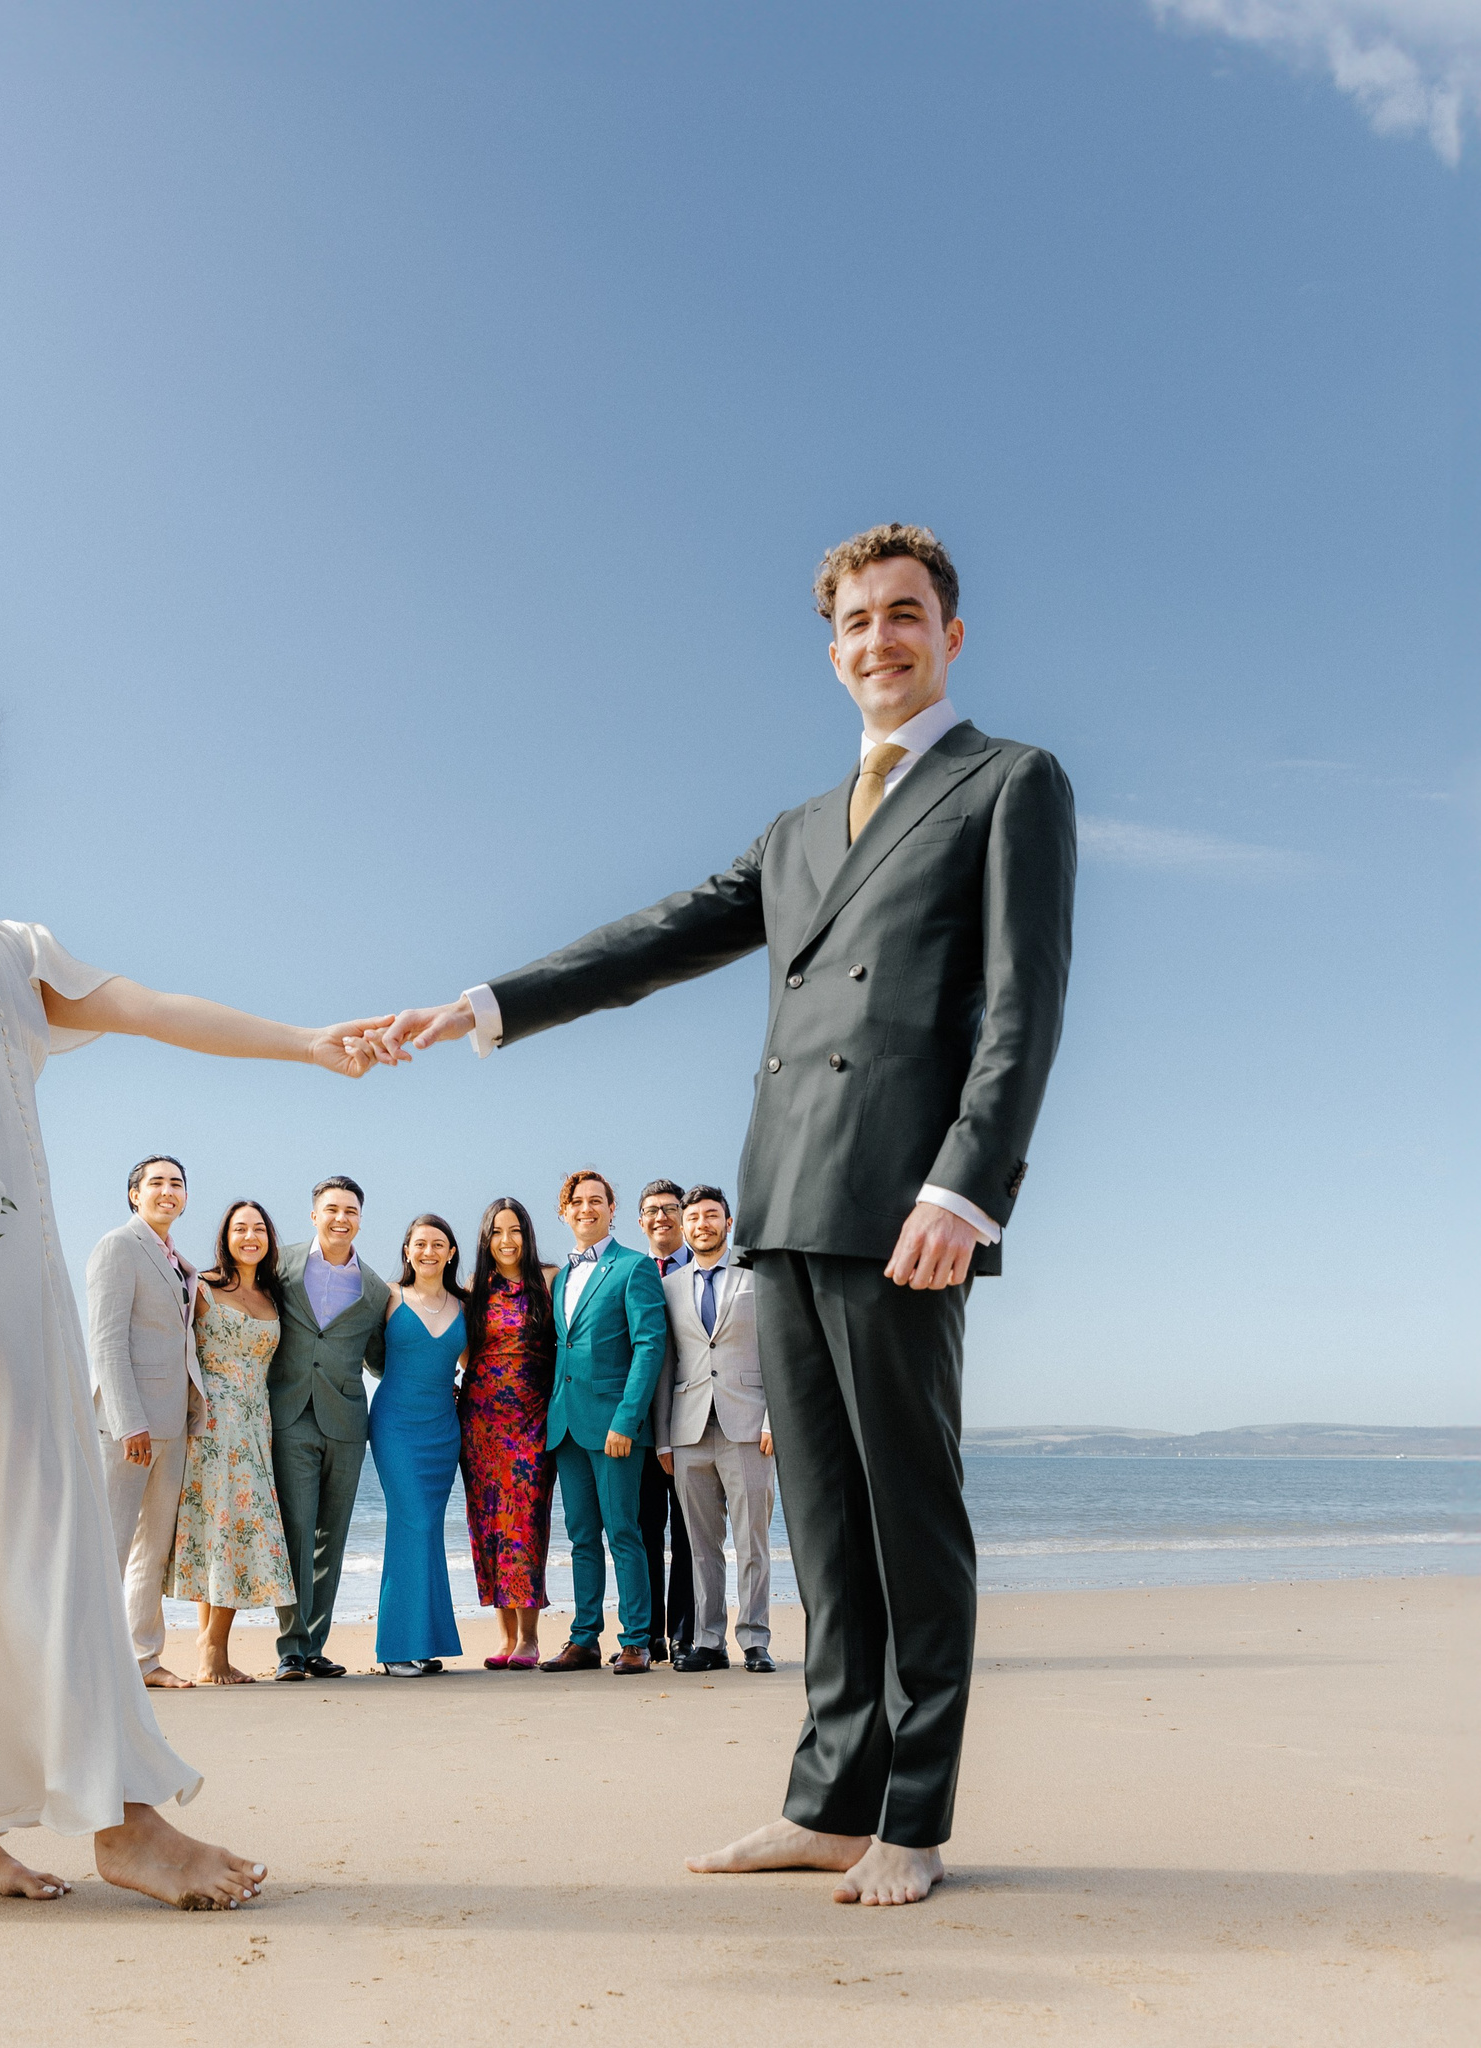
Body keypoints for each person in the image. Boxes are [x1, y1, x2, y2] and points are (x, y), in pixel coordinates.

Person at [382, 525, 1077, 1905]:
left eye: (904, 616)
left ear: (950, 635)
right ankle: (827, 1801)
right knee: (824, 1520)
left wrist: (965, 1187)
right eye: (856, 623)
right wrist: (492, 1005)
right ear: (831, 652)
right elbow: (659, 939)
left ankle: (916, 1818)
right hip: (785, 1197)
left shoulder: (1012, 784)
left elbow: (1022, 1003)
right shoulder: (798, 831)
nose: (879, 641)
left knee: (910, 1514)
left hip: (907, 1206)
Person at [0, 669, 389, 1906]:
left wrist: (306, 1041)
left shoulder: (6, 946)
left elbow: (146, 1005)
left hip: (29, 1275)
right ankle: (123, 1821)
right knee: (4, 1526)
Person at [535, 1170, 668, 1675]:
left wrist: (627, 1421)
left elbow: (649, 1346)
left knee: (624, 1532)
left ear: (613, 1210)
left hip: (615, 1427)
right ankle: (583, 1638)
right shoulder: (562, 1276)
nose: (586, 1209)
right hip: (566, 1425)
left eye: (597, 1201)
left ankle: (636, 1640)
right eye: (576, 1201)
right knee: (581, 1536)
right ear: (563, 1212)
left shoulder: (634, 1268)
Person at [86, 1155, 205, 1689]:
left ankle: (142, 1661)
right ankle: (85, 1661)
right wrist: (126, 1420)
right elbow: (107, 1341)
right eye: (155, 1182)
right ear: (134, 1194)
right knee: (108, 1545)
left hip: (173, 1424)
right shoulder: (118, 1247)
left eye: (176, 1183)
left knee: (152, 1549)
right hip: (128, 1426)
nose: (167, 1191)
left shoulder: (179, 1260)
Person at [168, 1200, 298, 1685]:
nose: (250, 1236)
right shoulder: (199, 1286)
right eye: (240, 1228)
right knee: (220, 1530)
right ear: (225, 1236)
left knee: (236, 1529)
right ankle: (212, 1650)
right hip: (211, 1424)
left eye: (259, 1228)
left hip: (255, 1423)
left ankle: (210, 1649)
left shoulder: (273, 1296)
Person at [268, 1177, 393, 1681]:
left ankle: (315, 1644)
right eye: (332, 1209)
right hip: (290, 1413)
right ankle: (290, 1648)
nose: (341, 1218)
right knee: (297, 1529)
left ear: (361, 1218)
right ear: (314, 1214)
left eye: (351, 1211)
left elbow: (383, 1361)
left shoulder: (377, 1288)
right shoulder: (280, 1266)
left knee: (331, 1538)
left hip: (346, 1421)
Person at [655, 1185, 776, 1674]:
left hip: (748, 1426)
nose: (702, 1224)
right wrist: (663, 1436)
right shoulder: (668, 1287)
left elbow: (779, 1352)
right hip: (687, 1430)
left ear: (728, 1223)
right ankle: (708, 1640)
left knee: (752, 1542)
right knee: (699, 1546)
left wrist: (774, 1419)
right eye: (694, 1218)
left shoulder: (758, 1278)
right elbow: (666, 1364)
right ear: (683, 1228)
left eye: (712, 1216)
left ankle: (755, 1640)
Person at [459, 1196, 557, 1669]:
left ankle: (530, 1639)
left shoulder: (549, 1280)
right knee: (489, 1525)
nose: (506, 1240)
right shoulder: (474, 1288)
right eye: (497, 1231)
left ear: (527, 1233)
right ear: (485, 1238)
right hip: (479, 1424)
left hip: (533, 1418)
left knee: (525, 1523)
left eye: (514, 1229)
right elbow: (463, 1352)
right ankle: (503, 1637)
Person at [369, 1214, 468, 1674]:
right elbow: (363, 1351)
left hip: (442, 1432)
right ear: (407, 1250)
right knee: (409, 1522)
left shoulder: (466, 1306)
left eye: (438, 1244)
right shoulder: (387, 1297)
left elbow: (476, 1365)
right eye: (419, 1243)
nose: (428, 1251)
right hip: (395, 1427)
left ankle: (425, 1642)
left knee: (428, 1528)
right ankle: (394, 1649)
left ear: (451, 1252)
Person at [634, 1178, 697, 1664]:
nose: (662, 1217)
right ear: (640, 1220)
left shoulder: (704, 1273)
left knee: (690, 1532)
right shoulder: (631, 1273)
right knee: (644, 1528)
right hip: (636, 1429)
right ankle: (649, 1632)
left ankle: (684, 1634)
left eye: (670, 1209)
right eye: (652, 1210)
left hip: (693, 1424)